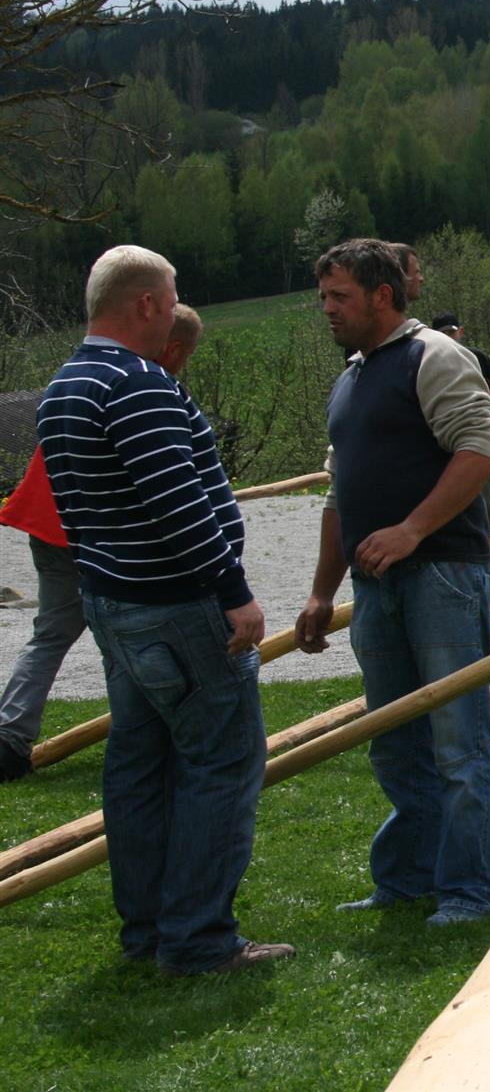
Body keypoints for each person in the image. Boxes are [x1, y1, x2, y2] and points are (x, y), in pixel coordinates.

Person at [38, 247, 287, 973]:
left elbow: (78, 516)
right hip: (177, 607)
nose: (177, 309)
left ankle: (148, 930)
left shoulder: (65, 384)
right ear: (145, 304)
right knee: (224, 760)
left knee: (139, 766)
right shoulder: (137, 383)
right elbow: (178, 503)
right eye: (171, 297)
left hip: (115, 603)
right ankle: (198, 938)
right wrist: (233, 591)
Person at [295, 238, 490, 925]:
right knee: (394, 741)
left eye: (339, 296)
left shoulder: (433, 357)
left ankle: (470, 890)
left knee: (458, 739)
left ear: (381, 295)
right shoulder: (351, 378)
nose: (327, 309)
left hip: (442, 573)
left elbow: (481, 449)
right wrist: (322, 592)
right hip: (376, 586)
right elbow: (340, 495)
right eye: (323, 297)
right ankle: (409, 878)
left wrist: (413, 528)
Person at [0, 304, 204, 783]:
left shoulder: (96, 372)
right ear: (173, 348)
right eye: (186, 356)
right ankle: (151, 731)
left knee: (54, 631)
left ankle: (9, 735)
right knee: (131, 625)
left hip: (50, 520)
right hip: (88, 526)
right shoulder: (139, 387)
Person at [430, 312, 490, 541]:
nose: (447, 337)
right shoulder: (426, 360)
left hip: (479, 441)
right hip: (443, 444)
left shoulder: (476, 358)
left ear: (460, 332)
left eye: (451, 332)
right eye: (442, 333)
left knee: (486, 508)